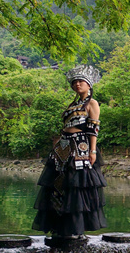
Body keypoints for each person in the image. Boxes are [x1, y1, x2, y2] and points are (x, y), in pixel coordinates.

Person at [33, 65, 107, 239]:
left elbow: (93, 129)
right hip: (63, 148)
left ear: (89, 85)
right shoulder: (73, 104)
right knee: (58, 186)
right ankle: (60, 228)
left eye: (81, 81)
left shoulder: (92, 103)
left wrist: (93, 151)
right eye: (75, 82)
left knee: (77, 187)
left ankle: (76, 229)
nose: (77, 84)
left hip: (80, 147)